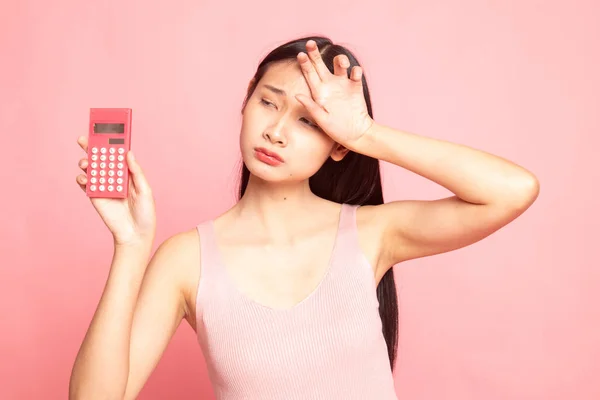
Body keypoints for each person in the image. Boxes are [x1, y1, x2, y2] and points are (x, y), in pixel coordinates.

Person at [69, 36, 540, 400]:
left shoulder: (371, 233)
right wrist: (130, 245)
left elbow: (512, 191)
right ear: (246, 101)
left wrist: (365, 134)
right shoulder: (186, 259)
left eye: (308, 121)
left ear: (337, 144)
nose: (275, 132)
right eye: (268, 103)